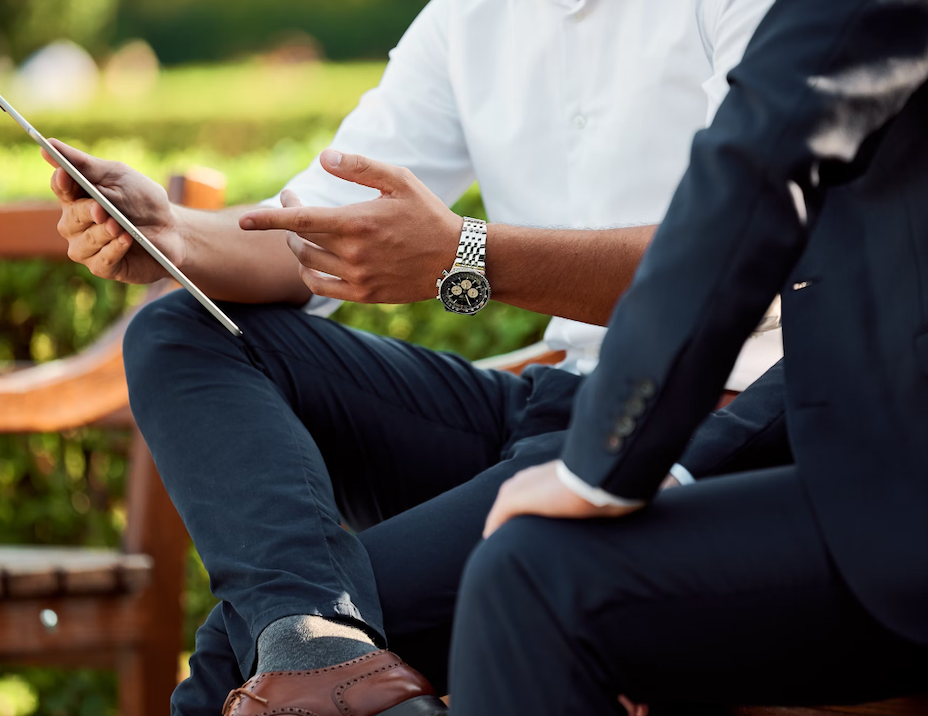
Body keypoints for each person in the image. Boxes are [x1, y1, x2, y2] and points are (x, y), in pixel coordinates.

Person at [46, 0, 778, 713]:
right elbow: (313, 230)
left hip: (703, 421)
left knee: (237, 660)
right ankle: (318, 641)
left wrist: (468, 256)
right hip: (552, 400)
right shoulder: (469, 17)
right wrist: (171, 233)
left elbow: (736, 256)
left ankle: (313, 645)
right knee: (182, 331)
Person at [445, 0, 928, 713]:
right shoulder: (462, 21)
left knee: (533, 579)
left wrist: (604, 463)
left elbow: (763, 153)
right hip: (846, 450)